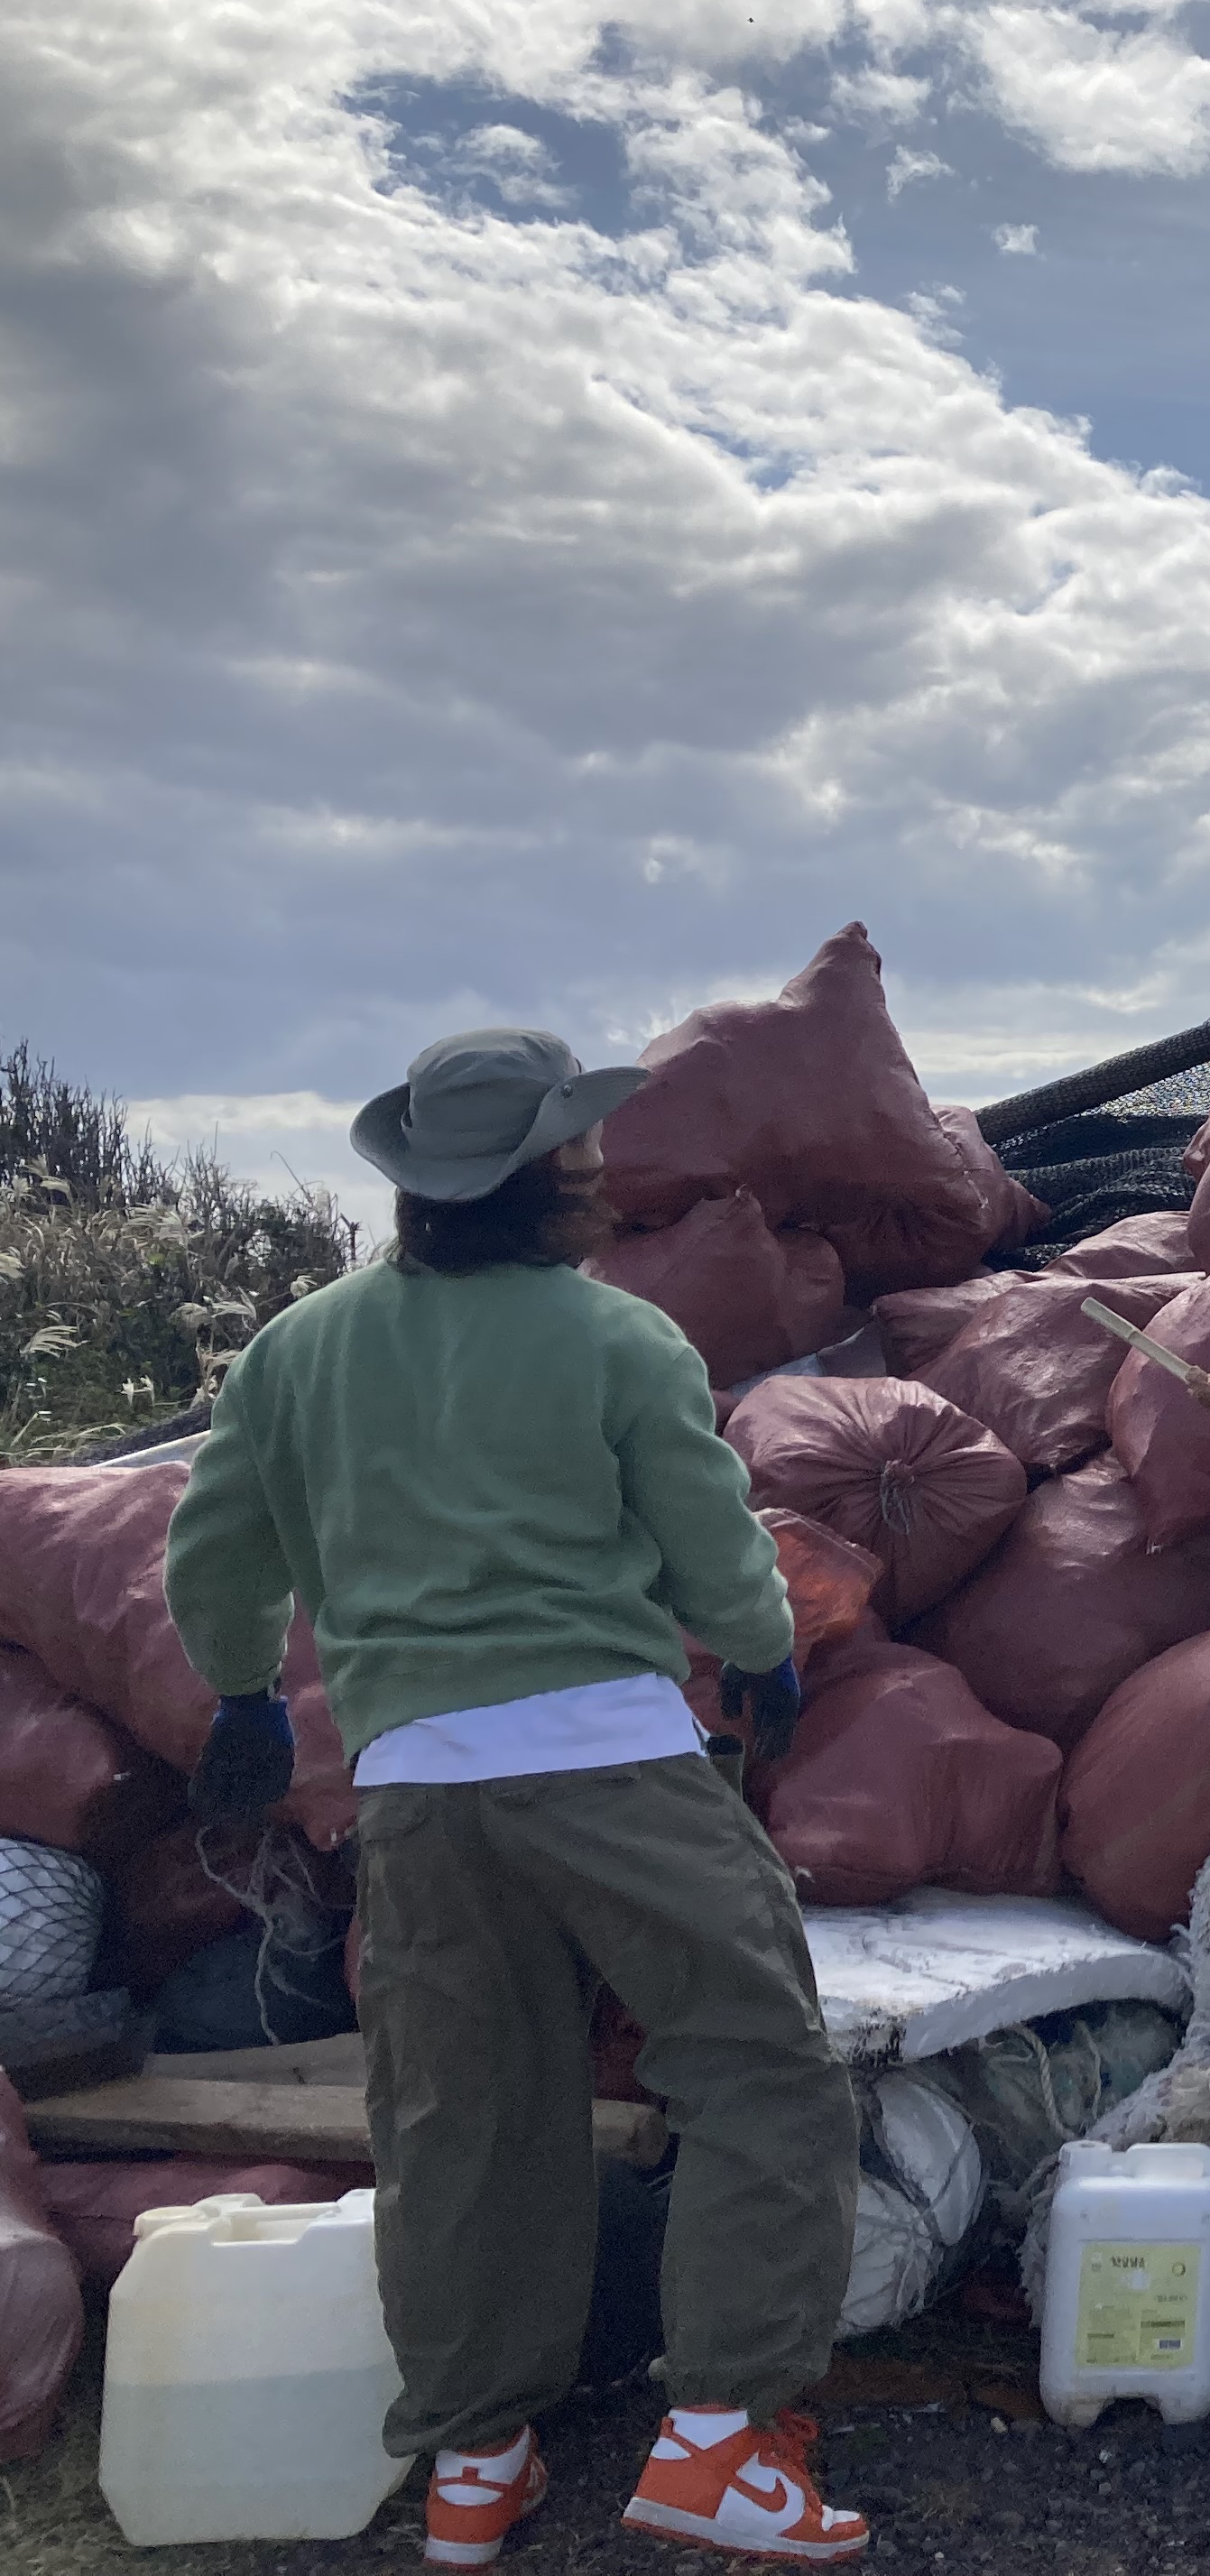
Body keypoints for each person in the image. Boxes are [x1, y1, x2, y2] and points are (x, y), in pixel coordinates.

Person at [162, 1030, 868, 2569]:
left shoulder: (297, 1349)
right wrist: (761, 1653)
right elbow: (709, 1542)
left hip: (412, 1784)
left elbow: (213, 1554)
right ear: (553, 1175)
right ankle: (717, 2438)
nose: (599, 1164)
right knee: (761, 2065)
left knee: (459, 2114)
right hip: (611, 1759)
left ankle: (474, 2463)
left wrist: (236, 1694)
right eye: (582, 1147)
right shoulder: (620, 1342)